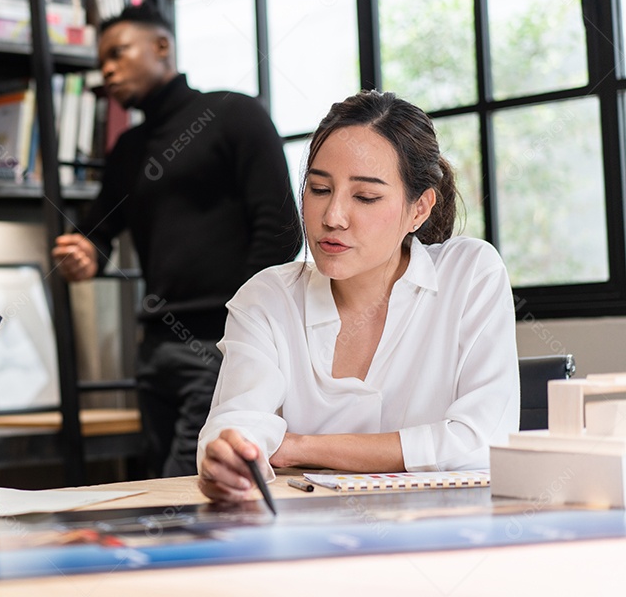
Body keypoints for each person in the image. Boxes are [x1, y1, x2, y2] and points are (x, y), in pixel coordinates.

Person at [197, 90, 520, 502]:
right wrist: (227, 458)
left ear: (418, 209)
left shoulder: (470, 273)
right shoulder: (267, 298)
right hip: (307, 543)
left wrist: (300, 446)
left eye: (365, 197)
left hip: (445, 535)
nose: (333, 218)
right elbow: (236, 424)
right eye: (318, 189)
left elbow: (482, 442)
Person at [52, 2, 302, 477]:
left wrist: (242, 324)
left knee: (187, 486)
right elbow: (96, 232)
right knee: (158, 485)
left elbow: (281, 230)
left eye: (118, 53)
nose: (106, 70)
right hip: (154, 351)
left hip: (220, 343)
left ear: (161, 46)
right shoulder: (129, 149)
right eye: (100, 61)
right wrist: (84, 254)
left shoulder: (234, 114)